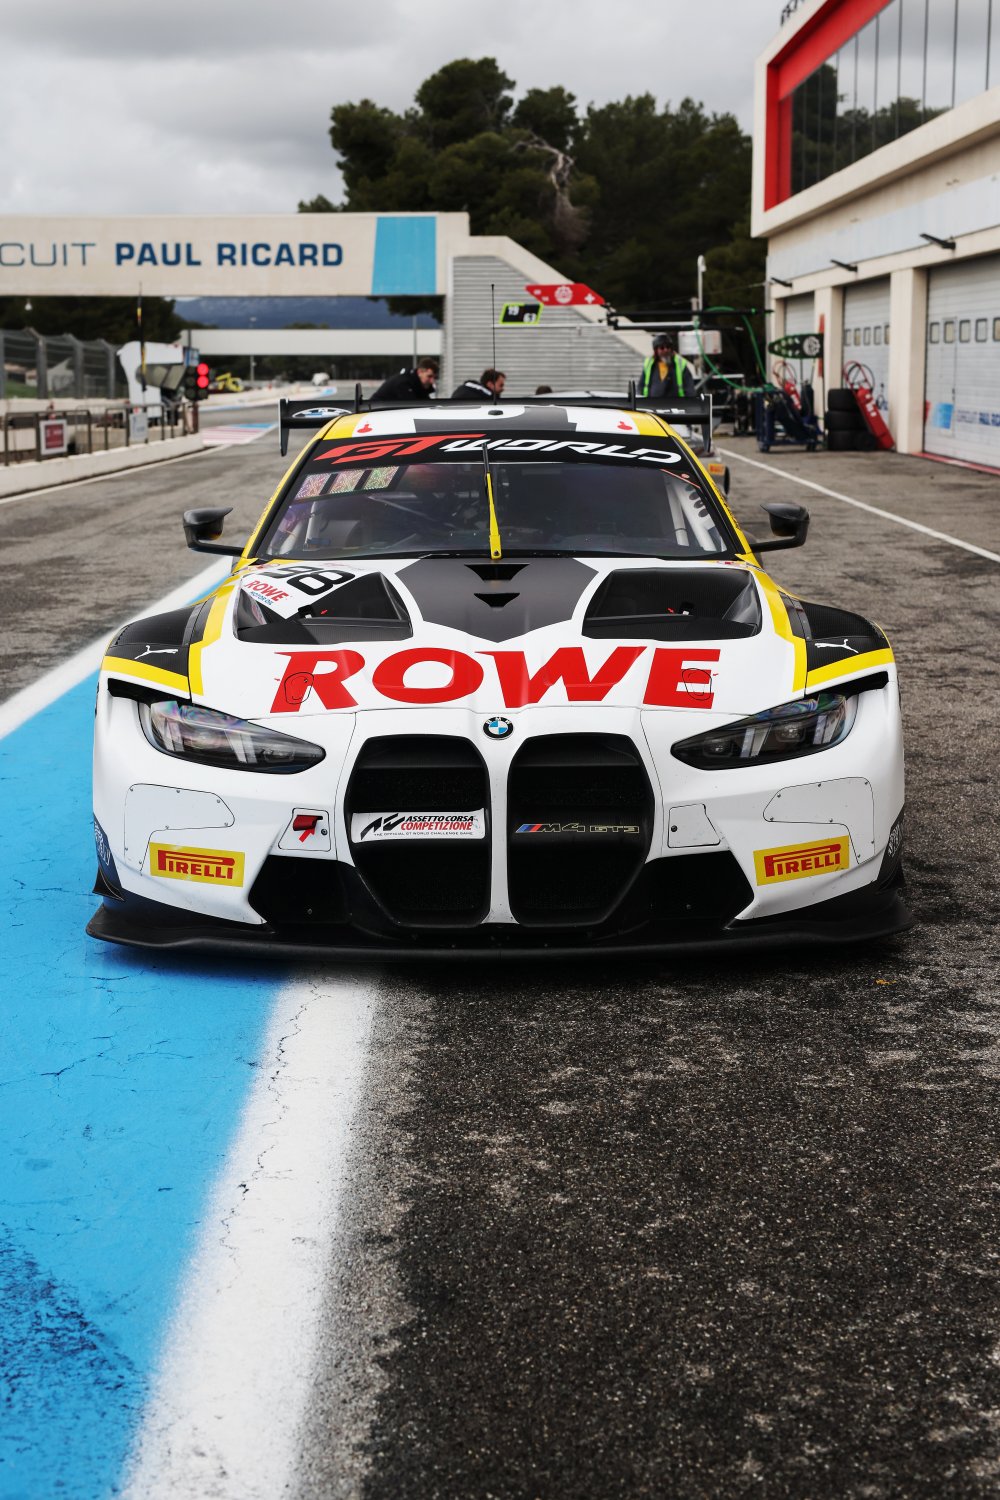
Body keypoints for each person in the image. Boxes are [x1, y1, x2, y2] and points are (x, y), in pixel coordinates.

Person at [639, 334, 694, 399]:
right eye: (662, 348)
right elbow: (641, 387)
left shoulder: (680, 364)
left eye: (668, 347)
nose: (665, 350)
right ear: (656, 350)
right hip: (652, 403)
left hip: (675, 403)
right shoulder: (649, 364)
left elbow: (689, 389)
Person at [371, 358, 439, 403]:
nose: (432, 381)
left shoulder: (417, 386)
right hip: (375, 414)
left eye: (434, 377)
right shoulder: (403, 383)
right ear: (419, 372)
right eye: (429, 376)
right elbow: (413, 407)